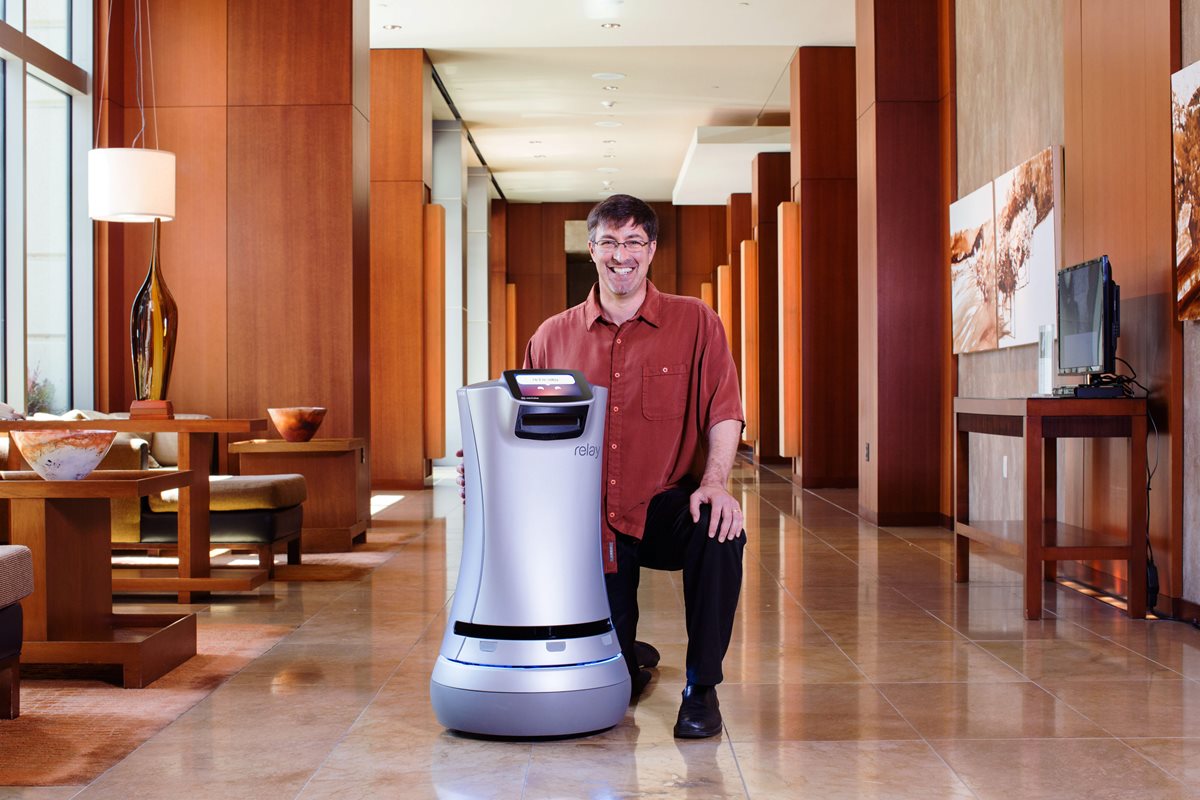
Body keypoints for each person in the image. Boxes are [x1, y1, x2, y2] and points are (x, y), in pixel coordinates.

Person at [522, 193, 746, 739]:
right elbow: (522, 426)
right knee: (611, 692)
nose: (621, 255)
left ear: (651, 251)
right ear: (591, 249)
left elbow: (725, 410)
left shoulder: (697, 322)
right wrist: (481, 469)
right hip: (590, 521)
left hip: (666, 505)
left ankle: (702, 687)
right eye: (609, 243)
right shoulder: (552, 336)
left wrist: (715, 484)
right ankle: (628, 659)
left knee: (720, 533)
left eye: (633, 243)